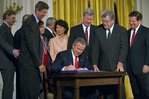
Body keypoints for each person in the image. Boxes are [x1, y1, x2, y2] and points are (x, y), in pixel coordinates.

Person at [92, 10, 128, 99]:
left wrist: (120, 62)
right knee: (107, 94)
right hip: (103, 67)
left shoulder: (121, 30)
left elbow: (124, 48)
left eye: (106, 21)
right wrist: (94, 64)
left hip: (118, 67)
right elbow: (95, 49)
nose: (104, 23)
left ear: (113, 20)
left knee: (119, 93)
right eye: (103, 21)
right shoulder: (98, 31)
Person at [17, 1, 49, 99]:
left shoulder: (34, 22)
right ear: (37, 10)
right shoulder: (30, 23)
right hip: (28, 64)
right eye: (43, 12)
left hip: (31, 63)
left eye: (46, 12)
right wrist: (39, 63)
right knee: (29, 92)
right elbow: (31, 45)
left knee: (33, 91)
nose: (45, 15)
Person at [126, 11, 149, 99]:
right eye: (130, 21)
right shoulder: (127, 32)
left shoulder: (146, 31)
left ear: (139, 21)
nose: (131, 23)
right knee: (135, 92)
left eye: (133, 21)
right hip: (130, 68)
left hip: (142, 67)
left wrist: (147, 64)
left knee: (145, 91)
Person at [0, 10, 19, 99]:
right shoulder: (3, 27)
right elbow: (1, 41)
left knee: (9, 87)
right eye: (13, 18)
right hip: (6, 63)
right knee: (8, 87)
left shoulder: (6, 28)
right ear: (7, 17)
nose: (15, 20)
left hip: (7, 62)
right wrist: (12, 50)